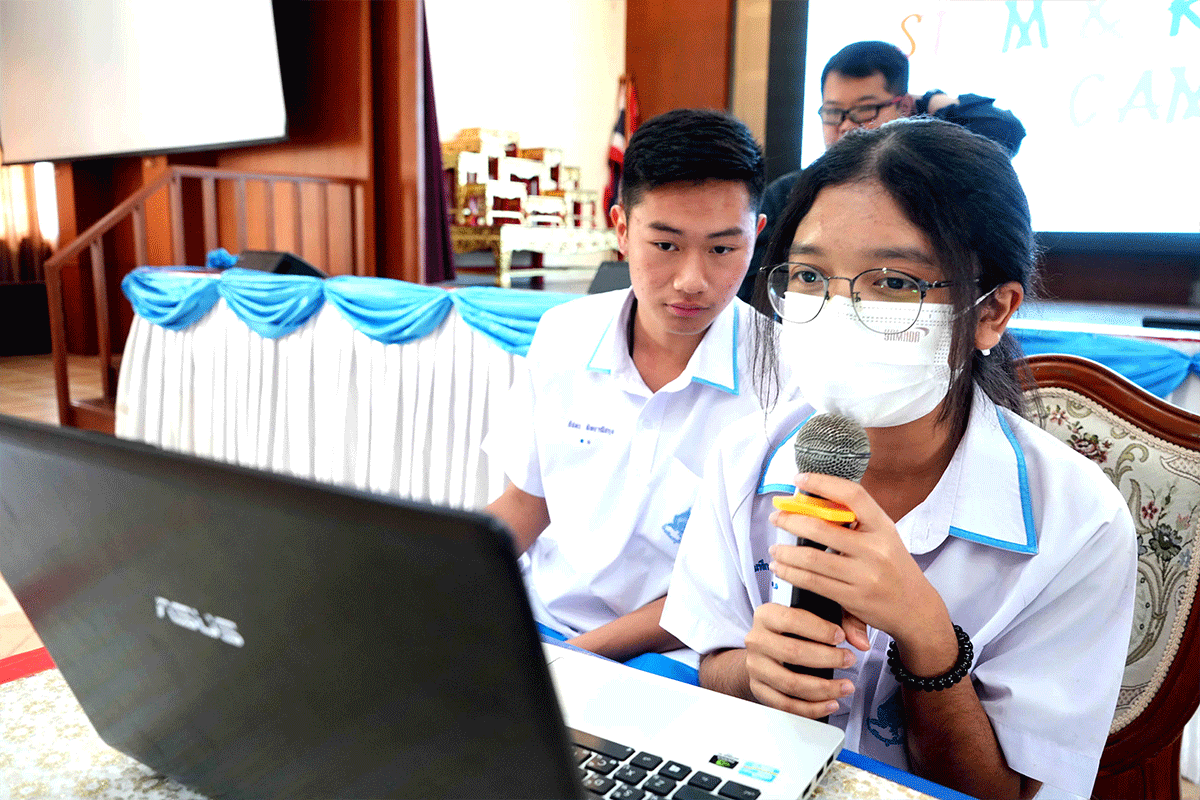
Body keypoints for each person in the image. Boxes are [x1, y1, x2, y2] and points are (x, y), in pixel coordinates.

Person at [662, 118, 1136, 797]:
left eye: (892, 282)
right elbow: (712, 661)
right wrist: (757, 670)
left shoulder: (1080, 522)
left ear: (992, 312)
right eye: (809, 275)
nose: (838, 311)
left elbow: (1008, 791)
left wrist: (928, 637)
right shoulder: (745, 456)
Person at [483, 108, 767, 683]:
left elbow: (729, 587)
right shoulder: (564, 334)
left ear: (756, 235)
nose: (692, 280)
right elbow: (527, 505)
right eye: (664, 244)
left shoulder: (781, 378)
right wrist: (434, 572)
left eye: (721, 250)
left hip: (675, 655)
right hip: (541, 626)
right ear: (620, 228)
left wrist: (574, 659)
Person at [738, 40, 1026, 300]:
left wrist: (930, 101)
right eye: (833, 112)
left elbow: (1001, 131)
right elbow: (754, 293)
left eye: (865, 109)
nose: (846, 125)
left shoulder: (935, 188)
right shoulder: (788, 194)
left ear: (904, 106)